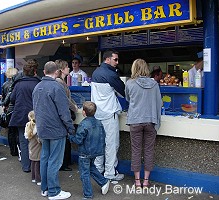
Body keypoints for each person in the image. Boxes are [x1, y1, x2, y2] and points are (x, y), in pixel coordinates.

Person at [33, 61, 75, 199]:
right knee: (55, 161)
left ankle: (45, 188)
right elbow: (64, 112)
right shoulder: (57, 88)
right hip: (56, 130)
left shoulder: (37, 87)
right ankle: (54, 191)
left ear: (44, 72)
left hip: (42, 128)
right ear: (56, 72)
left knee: (45, 158)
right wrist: (70, 128)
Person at [125, 58, 162, 188]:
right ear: (146, 68)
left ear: (134, 68)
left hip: (135, 120)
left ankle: (137, 181)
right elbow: (159, 103)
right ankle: (146, 181)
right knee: (149, 150)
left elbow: (128, 98)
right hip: (150, 120)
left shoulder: (129, 83)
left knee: (135, 150)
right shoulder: (155, 84)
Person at [91, 50, 125, 181]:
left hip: (97, 114)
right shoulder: (111, 75)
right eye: (115, 59)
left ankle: (98, 169)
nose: (117, 62)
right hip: (110, 114)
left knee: (100, 144)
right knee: (111, 144)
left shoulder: (95, 72)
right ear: (107, 59)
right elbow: (123, 92)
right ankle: (110, 173)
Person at [69, 101, 110, 199]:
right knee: (91, 168)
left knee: (84, 174)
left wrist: (70, 137)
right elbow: (103, 136)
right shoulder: (99, 123)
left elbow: (78, 140)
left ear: (83, 112)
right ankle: (103, 181)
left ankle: (88, 195)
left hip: (85, 152)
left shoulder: (83, 124)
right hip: (95, 151)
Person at [9, 59, 40, 173]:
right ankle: (36, 167)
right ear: (35, 71)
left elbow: (12, 99)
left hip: (21, 116)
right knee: (37, 142)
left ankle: (26, 166)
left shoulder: (19, 84)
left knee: (23, 141)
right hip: (36, 116)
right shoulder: (38, 83)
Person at [55, 59, 78, 171]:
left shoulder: (62, 81)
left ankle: (65, 162)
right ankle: (64, 164)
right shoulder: (59, 82)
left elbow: (69, 98)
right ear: (62, 69)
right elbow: (65, 99)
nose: (69, 68)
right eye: (67, 66)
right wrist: (74, 107)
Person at [0, 68, 19, 156]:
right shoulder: (17, 84)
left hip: (9, 110)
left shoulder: (5, 85)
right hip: (17, 109)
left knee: (11, 131)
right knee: (18, 131)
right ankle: (19, 150)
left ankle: (13, 150)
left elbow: (4, 98)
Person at [24, 110, 41, 186]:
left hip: (31, 146)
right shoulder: (37, 127)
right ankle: (38, 179)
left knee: (33, 162)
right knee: (37, 163)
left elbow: (27, 136)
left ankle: (33, 177)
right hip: (37, 147)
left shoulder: (28, 126)